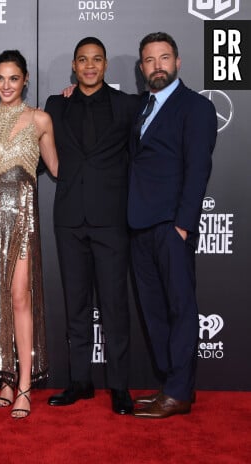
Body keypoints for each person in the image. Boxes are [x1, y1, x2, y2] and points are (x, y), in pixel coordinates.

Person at [44, 37, 139, 415]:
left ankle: (118, 385)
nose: (89, 66)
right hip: (68, 221)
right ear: (73, 65)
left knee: (115, 306)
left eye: (96, 60)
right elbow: (32, 148)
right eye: (82, 60)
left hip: (112, 221)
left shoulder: (129, 106)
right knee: (76, 305)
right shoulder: (55, 105)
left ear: (105, 65)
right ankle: (79, 382)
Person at [128, 32, 216, 418]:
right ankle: (169, 385)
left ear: (177, 62)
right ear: (142, 67)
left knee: (180, 307)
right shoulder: (140, 108)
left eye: (164, 58)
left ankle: (180, 391)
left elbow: (198, 169)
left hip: (171, 226)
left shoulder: (195, 107)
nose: (157, 66)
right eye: (149, 60)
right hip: (139, 225)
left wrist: (183, 225)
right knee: (154, 309)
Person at [0, 50, 58, 419]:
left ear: (25, 80)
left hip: (22, 218)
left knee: (20, 297)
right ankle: (5, 376)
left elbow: (56, 167)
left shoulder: (41, 119)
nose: (6, 85)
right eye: (0, 78)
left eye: (13, 78)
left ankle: (23, 383)